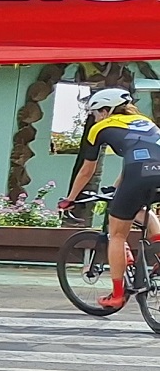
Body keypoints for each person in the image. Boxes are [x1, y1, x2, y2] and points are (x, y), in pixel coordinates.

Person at [62, 86, 160, 310]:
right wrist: (116, 188)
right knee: (142, 209)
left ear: (105, 110)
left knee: (117, 234)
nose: (94, 117)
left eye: (95, 112)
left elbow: (87, 170)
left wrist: (70, 198)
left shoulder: (99, 128)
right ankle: (158, 252)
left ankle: (117, 295)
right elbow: (138, 159)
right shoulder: (145, 121)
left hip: (138, 175)